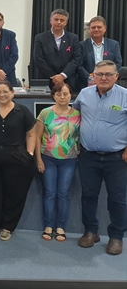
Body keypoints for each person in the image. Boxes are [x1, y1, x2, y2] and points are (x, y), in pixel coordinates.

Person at [73, 60, 127, 255]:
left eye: (108, 74)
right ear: (93, 76)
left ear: (116, 76)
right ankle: (90, 231)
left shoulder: (125, 96)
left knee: (117, 199)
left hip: (117, 158)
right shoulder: (84, 94)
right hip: (88, 156)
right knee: (88, 196)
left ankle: (116, 236)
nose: (103, 78)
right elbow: (74, 115)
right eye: (99, 74)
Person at [0, 80, 36, 241]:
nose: (2, 95)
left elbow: (31, 134)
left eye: (5, 92)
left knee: (14, 193)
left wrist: (30, 153)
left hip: (17, 158)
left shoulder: (22, 111)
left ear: (12, 93)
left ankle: (7, 227)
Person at [35, 83, 80, 242]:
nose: (62, 97)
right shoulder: (45, 113)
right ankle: (48, 226)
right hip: (48, 158)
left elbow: (80, 137)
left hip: (70, 160)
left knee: (63, 194)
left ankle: (60, 226)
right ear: (53, 96)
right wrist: (38, 159)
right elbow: (37, 137)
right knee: (49, 193)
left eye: (66, 94)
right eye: (59, 94)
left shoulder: (77, 114)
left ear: (71, 95)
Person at [33, 9, 81, 90]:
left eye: (62, 20)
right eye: (56, 19)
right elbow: (38, 59)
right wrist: (55, 78)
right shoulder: (40, 37)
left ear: (66, 23)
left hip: (67, 80)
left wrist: (62, 75)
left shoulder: (73, 38)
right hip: (46, 79)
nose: (58, 22)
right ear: (50, 21)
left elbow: (76, 59)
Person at [76, 16, 122, 91]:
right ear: (89, 29)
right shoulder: (81, 45)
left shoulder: (114, 44)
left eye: (99, 27)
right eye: (93, 27)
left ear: (105, 28)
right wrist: (91, 78)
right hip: (87, 84)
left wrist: (109, 77)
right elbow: (79, 65)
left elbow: (118, 63)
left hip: (109, 84)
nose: (96, 29)